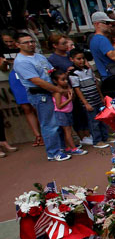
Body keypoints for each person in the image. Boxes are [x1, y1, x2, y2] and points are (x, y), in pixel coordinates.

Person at [12, 33, 69, 161]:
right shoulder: (21, 61)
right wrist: (58, 90)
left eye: (31, 41)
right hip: (40, 94)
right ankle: (53, 153)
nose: (30, 44)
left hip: (51, 91)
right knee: (49, 124)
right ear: (18, 45)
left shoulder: (39, 56)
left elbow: (51, 71)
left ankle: (60, 148)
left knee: (57, 121)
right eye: (26, 42)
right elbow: (37, 81)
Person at [1, 31, 42, 146]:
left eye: (11, 41)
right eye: (6, 42)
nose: (9, 44)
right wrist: (5, 63)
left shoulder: (28, 51)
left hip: (29, 77)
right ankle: (37, 135)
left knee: (36, 107)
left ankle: (44, 134)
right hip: (16, 78)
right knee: (26, 108)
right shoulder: (3, 52)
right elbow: (3, 69)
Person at [69, 49, 108, 148]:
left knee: (102, 119)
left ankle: (105, 137)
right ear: (72, 59)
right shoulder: (73, 74)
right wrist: (85, 103)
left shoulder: (89, 70)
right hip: (88, 100)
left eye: (83, 58)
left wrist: (101, 96)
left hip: (96, 98)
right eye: (78, 59)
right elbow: (77, 89)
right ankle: (97, 140)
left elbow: (95, 84)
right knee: (93, 121)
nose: (81, 61)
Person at [50, 70, 87, 156]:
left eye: (66, 79)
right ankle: (73, 148)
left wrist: (71, 95)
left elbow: (71, 100)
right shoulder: (58, 92)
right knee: (68, 131)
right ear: (55, 81)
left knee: (69, 130)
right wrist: (69, 99)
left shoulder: (65, 90)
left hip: (68, 112)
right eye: (62, 80)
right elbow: (59, 106)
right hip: (61, 113)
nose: (66, 81)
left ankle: (69, 147)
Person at [89, 11, 115, 79]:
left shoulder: (94, 39)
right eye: (107, 23)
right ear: (97, 24)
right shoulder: (101, 39)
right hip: (114, 77)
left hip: (110, 76)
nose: (110, 25)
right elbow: (114, 56)